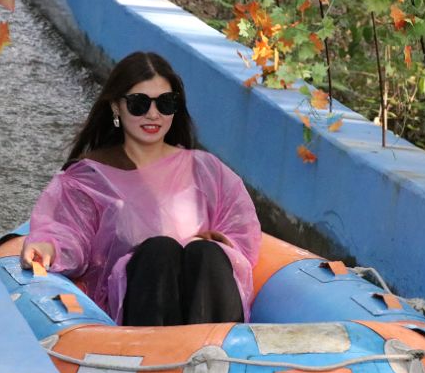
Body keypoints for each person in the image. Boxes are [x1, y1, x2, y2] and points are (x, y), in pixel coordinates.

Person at [20, 51, 261, 326]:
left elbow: (241, 234)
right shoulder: (90, 177)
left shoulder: (207, 170)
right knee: (159, 251)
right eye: (139, 104)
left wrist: (207, 240)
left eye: (165, 103)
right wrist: (49, 247)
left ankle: (220, 345)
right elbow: (69, 231)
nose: (153, 114)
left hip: (205, 303)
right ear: (116, 107)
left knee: (205, 252)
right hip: (135, 309)